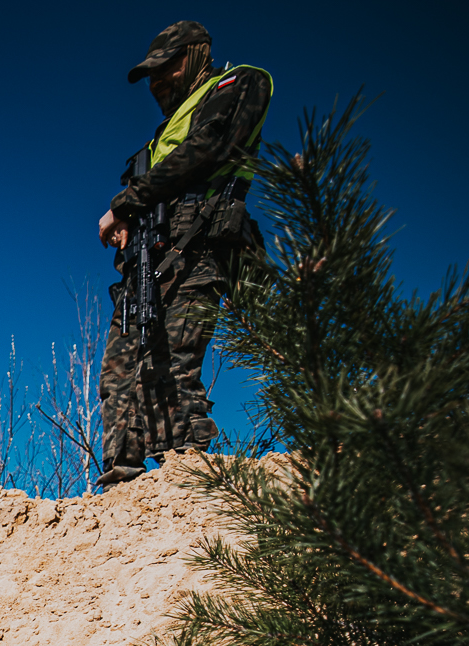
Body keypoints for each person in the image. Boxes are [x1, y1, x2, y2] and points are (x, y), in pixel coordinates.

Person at [95, 20, 271, 486]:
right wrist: (131, 221)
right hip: (146, 265)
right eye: (149, 75)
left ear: (195, 55)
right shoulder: (158, 137)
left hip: (199, 252)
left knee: (173, 362)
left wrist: (124, 204)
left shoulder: (240, 83)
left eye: (163, 69)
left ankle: (185, 476)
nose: (155, 83)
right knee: (118, 374)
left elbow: (210, 146)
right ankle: (120, 481)